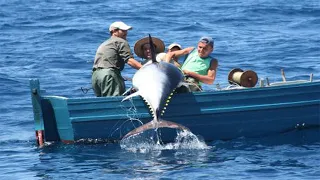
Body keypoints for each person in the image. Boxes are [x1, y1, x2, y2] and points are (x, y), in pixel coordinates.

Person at [92, 21, 142, 97]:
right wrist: (146, 69)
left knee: (103, 102)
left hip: (96, 76)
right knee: (114, 102)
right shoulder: (120, 41)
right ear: (114, 31)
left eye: (126, 30)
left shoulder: (105, 43)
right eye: (123, 30)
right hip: (109, 75)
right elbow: (130, 60)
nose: (126, 33)